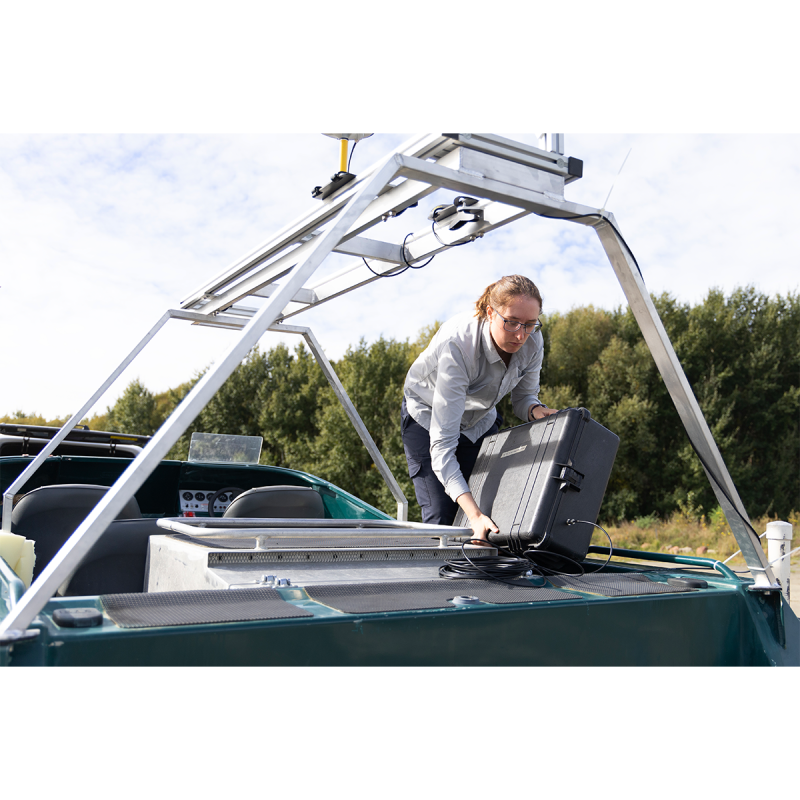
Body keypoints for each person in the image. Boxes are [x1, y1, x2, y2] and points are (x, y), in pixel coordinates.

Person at [401, 274, 559, 542]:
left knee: (496, 512)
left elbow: (524, 398)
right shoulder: (459, 345)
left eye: (530, 324)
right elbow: (442, 447)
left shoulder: (533, 341)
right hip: (428, 418)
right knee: (446, 520)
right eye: (511, 322)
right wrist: (473, 516)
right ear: (490, 312)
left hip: (480, 419)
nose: (521, 334)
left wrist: (536, 411)